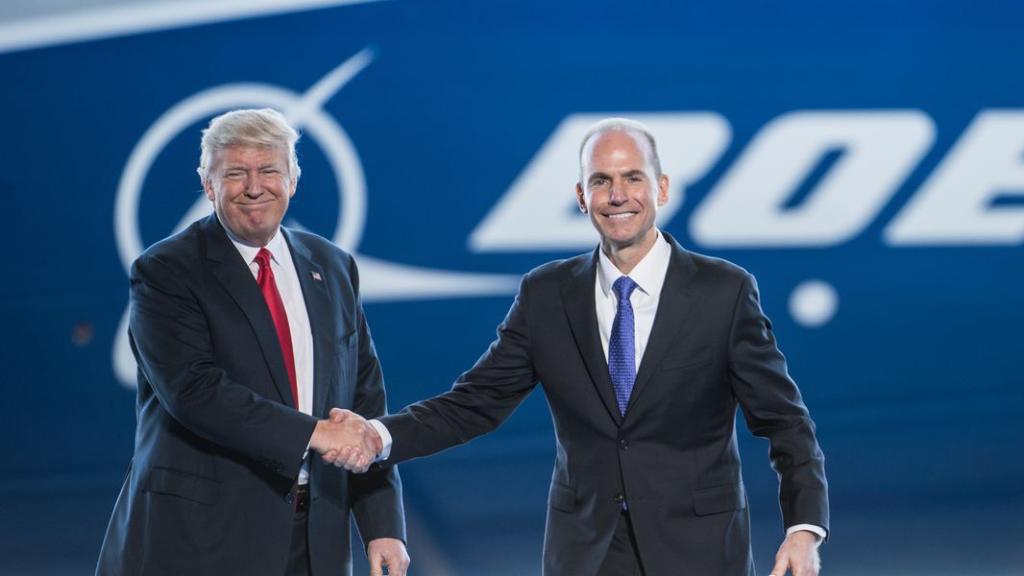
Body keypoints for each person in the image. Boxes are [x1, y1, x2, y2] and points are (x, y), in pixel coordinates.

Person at [334, 118, 829, 575]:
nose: (618, 196)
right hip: (585, 552)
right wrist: (379, 437)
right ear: (580, 194)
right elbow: (473, 405)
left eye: (633, 178)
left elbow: (784, 421)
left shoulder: (724, 291)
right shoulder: (546, 293)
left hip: (699, 549)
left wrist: (804, 529)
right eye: (601, 181)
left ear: (661, 188)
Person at [96, 108, 409, 576]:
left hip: (314, 538)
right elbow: (195, 392)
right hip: (201, 540)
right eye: (236, 173)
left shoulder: (333, 266)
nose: (254, 186)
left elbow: (364, 400)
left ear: (293, 180)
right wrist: (315, 433)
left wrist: (382, 522)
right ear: (208, 185)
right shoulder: (166, 271)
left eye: (269, 170)